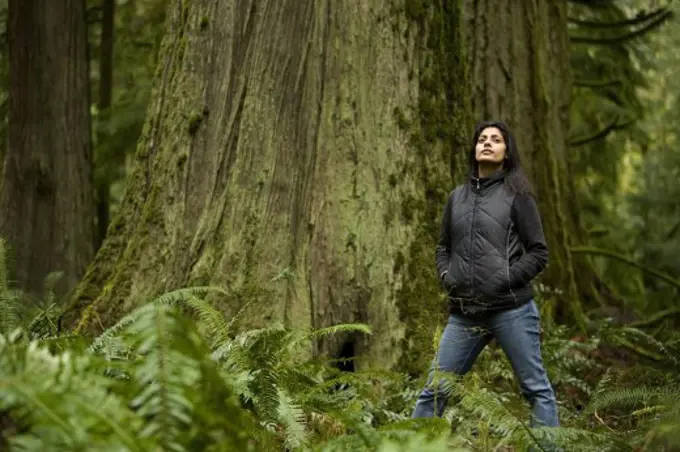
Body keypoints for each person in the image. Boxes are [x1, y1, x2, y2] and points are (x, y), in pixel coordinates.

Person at [411, 120, 559, 430]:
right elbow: (442, 248)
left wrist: (505, 279)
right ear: (475, 149)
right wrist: (448, 276)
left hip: (512, 309)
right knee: (434, 392)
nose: (487, 143)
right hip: (465, 313)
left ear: (507, 153)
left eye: (495, 139)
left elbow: (539, 253)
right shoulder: (456, 198)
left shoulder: (519, 196)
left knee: (537, 391)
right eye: (482, 139)